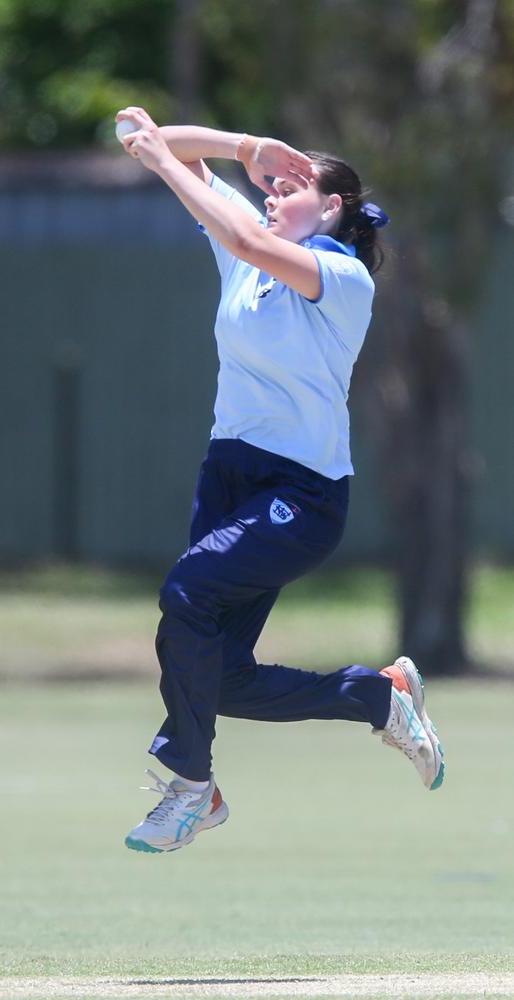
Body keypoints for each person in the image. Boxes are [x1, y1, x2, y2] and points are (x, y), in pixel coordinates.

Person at [116, 107, 445, 855]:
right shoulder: (252, 256)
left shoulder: (341, 275)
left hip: (302, 494)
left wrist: (162, 166)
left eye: (291, 184)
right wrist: (247, 148)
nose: (269, 191)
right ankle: (376, 695)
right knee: (218, 677)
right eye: (270, 184)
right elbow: (159, 140)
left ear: (331, 208)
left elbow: (233, 226)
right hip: (227, 475)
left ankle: (192, 787)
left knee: (186, 596)